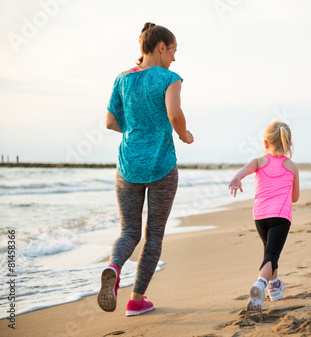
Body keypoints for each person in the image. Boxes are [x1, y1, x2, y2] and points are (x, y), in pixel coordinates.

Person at [98, 22, 194, 317]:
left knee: (129, 231)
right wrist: (184, 135)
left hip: (127, 166)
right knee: (154, 236)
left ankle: (114, 266)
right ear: (162, 47)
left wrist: (137, 131)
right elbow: (174, 114)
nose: (175, 58)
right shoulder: (169, 78)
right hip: (162, 165)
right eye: (174, 50)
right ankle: (136, 300)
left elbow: (110, 122)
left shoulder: (122, 79)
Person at [228, 120, 300, 312]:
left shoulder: (258, 162)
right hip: (281, 217)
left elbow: (243, 171)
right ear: (288, 144)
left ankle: (274, 288)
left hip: (260, 216)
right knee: (272, 253)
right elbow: (295, 197)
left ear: (266, 143)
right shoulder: (291, 166)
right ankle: (260, 284)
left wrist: (236, 178)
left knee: (270, 251)